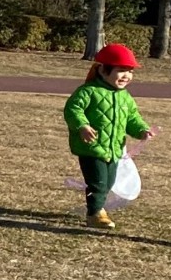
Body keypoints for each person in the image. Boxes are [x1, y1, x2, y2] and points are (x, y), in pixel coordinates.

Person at [64, 42, 152, 230]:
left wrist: (141, 130)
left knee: (109, 182)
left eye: (130, 71)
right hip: (91, 147)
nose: (126, 76)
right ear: (103, 70)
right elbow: (73, 109)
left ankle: (97, 208)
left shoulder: (125, 97)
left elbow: (132, 118)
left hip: (114, 149)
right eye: (121, 70)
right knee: (98, 182)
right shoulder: (88, 91)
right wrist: (82, 126)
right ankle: (95, 214)